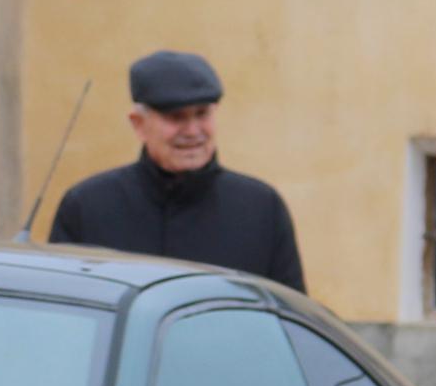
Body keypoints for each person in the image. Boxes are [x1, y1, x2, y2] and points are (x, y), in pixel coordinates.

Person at [45, 50, 303, 288]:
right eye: (176, 117)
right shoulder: (87, 207)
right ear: (138, 124)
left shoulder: (261, 209)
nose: (192, 131)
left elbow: (290, 321)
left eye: (202, 114)